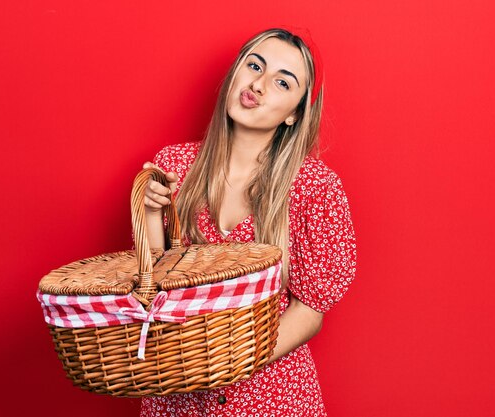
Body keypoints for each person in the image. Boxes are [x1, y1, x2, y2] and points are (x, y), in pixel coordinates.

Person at [139, 28, 356, 417]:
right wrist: (152, 213)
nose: (258, 84)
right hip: (179, 394)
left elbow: (309, 311)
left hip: (270, 397)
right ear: (235, 75)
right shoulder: (173, 166)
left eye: (282, 82)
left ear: (294, 113)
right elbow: (155, 290)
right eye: (254, 65)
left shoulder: (315, 187)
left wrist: (228, 362)